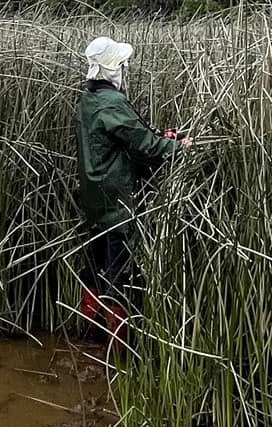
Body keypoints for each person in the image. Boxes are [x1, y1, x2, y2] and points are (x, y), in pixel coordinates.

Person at [75, 35, 189, 346]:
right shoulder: (112, 102)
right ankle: (118, 347)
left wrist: (158, 136)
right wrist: (177, 145)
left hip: (94, 195)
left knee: (96, 265)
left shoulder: (89, 99)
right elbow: (145, 145)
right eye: (122, 64)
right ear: (112, 69)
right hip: (115, 199)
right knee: (118, 270)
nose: (125, 68)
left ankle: (92, 334)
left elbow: (123, 137)